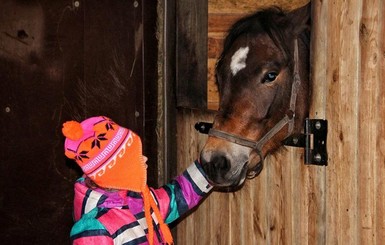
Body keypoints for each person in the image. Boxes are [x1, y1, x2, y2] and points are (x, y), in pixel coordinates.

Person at [62, 116, 212, 244]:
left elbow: (178, 195)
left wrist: (210, 167)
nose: (145, 159)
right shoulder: (94, 228)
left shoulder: (139, 199)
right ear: (117, 172)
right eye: (134, 158)